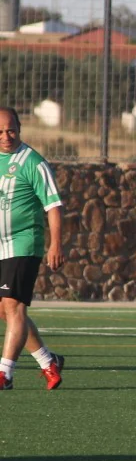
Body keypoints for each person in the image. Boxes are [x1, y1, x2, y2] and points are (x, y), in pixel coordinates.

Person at [0, 107, 65, 391]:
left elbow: (53, 205)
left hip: (24, 243)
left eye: (11, 130)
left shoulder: (33, 162)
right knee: (5, 309)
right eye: (0, 132)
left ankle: (4, 374)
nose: (6, 136)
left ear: (20, 128)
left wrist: (55, 244)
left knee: (14, 307)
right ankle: (47, 361)